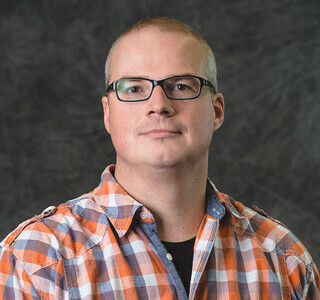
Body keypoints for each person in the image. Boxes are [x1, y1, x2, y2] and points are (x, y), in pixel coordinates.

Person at [0, 16, 319, 300]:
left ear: (217, 111)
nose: (159, 104)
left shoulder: (284, 260)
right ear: (108, 114)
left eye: (181, 86)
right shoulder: (34, 263)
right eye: (134, 88)